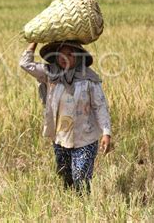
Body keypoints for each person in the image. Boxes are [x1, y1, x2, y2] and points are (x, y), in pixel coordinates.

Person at [19, 41, 111, 193]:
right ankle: (70, 205)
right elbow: (25, 64)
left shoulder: (89, 79)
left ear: (79, 56)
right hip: (60, 136)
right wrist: (34, 41)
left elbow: (100, 106)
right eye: (61, 53)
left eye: (70, 54)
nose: (64, 57)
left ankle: (83, 207)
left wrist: (106, 132)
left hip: (85, 136)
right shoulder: (49, 73)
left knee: (81, 176)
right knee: (65, 174)